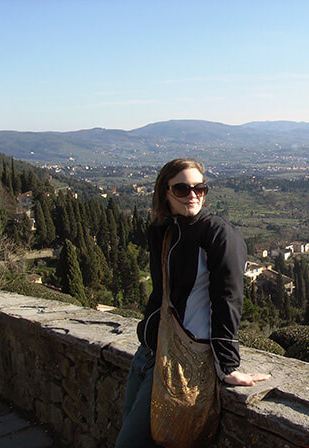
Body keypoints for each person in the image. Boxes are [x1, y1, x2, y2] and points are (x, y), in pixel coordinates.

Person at [116, 158, 270, 448]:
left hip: (182, 361)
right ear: (165, 192)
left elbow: (227, 301)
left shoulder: (218, 235)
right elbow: (160, 293)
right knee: (133, 429)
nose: (193, 195)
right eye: (182, 189)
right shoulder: (163, 231)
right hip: (148, 352)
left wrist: (227, 365)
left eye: (199, 188)